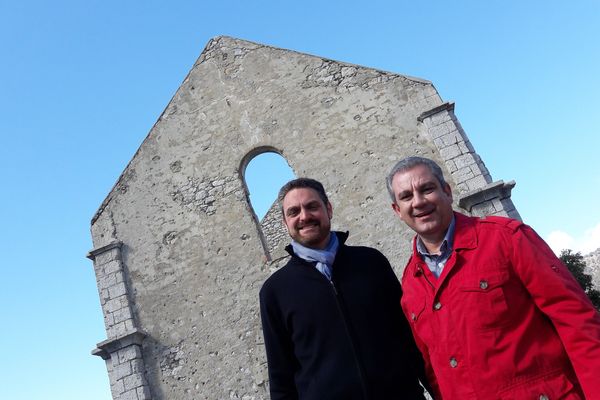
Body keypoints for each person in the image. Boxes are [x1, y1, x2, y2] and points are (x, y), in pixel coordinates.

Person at [386, 156, 600, 400]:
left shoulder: (508, 239)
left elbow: (579, 325)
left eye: (427, 189)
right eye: (406, 196)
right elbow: (435, 371)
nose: (419, 202)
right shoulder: (411, 284)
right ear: (397, 211)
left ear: (447, 191)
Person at [259, 178, 429, 400]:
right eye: (294, 212)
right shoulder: (275, 292)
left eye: (312, 206)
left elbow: (410, 339)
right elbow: (281, 379)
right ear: (285, 223)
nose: (304, 216)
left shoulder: (372, 263)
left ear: (328, 209)